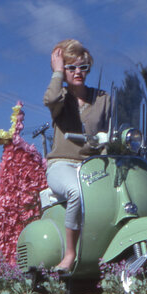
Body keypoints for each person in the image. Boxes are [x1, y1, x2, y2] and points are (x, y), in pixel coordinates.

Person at [43, 38, 110, 272]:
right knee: (76, 191)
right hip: (62, 164)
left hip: (93, 164)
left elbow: (112, 131)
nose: (77, 72)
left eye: (82, 66)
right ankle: (70, 254)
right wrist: (57, 72)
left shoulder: (103, 98)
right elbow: (50, 99)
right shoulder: (60, 98)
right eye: (71, 67)